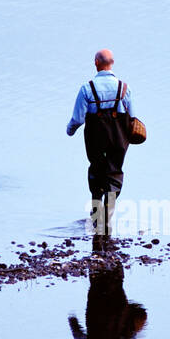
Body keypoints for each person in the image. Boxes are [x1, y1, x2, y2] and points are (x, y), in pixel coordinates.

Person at [66, 48, 134, 245]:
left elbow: (78, 118)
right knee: (114, 174)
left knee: (96, 172)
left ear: (96, 63)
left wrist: (70, 130)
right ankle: (108, 220)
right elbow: (133, 118)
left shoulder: (87, 89)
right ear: (112, 63)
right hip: (118, 139)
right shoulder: (124, 88)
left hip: (95, 138)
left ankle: (97, 217)